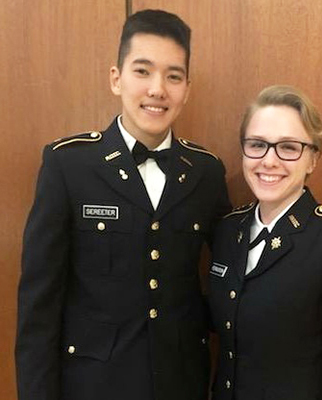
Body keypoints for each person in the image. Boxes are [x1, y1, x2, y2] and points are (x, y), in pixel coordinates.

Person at [16, 9, 231, 400]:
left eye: (173, 76)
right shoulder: (69, 165)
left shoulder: (206, 172)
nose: (157, 89)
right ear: (116, 79)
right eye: (142, 71)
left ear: (187, 88)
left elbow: (229, 280)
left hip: (181, 384)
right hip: (93, 386)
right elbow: (39, 308)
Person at [209, 85, 322, 400]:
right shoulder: (227, 230)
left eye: (289, 147)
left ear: (313, 158)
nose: (269, 160)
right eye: (257, 144)